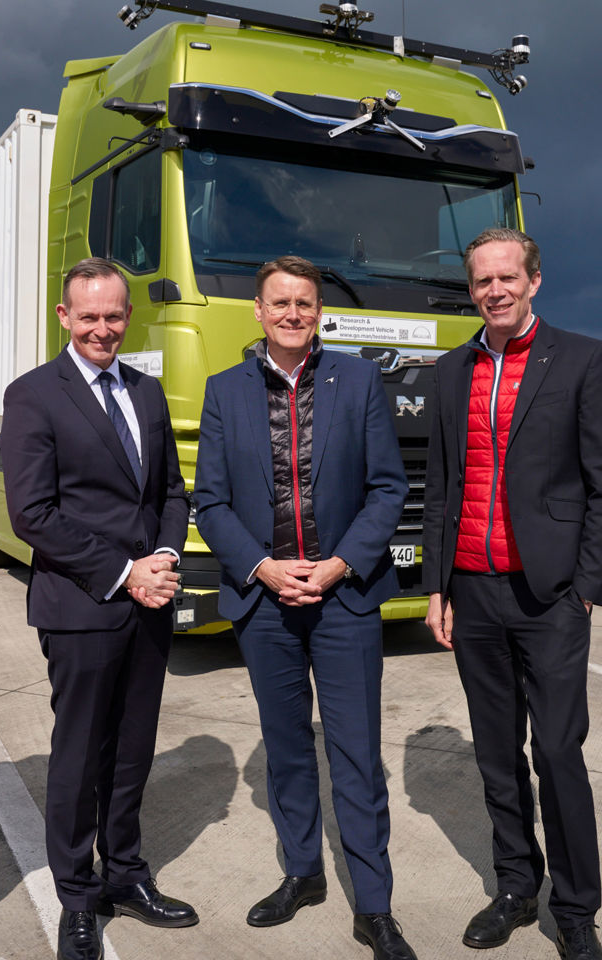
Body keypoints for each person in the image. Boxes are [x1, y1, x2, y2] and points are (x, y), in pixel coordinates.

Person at [194, 256, 414, 960]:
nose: (293, 313)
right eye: (281, 302)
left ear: (320, 312)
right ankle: (302, 873)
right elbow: (211, 501)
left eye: (306, 303)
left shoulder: (358, 380)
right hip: (266, 604)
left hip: (344, 599)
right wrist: (263, 567)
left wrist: (339, 564)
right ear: (257, 311)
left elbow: (387, 488)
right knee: (287, 750)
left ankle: (375, 907)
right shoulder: (224, 390)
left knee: (355, 754)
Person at [422, 229, 602, 960]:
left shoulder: (582, 360)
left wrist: (587, 589)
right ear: (471, 289)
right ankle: (515, 885)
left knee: (559, 753)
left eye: (508, 277)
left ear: (534, 280)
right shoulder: (450, 372)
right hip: (473, 594)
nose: (496, 291)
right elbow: (442, 488)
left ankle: (575, 908)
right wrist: (436, 587)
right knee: (496, 754)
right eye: (482, 281)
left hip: (551, 597)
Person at [0, 257, 196, 960]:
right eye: (89, 317)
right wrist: (124, 572)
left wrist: (166, 559)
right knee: (79, 757)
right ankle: (77, 898)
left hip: (149, 604)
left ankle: (126, 875)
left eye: (114, 316)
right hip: (83, 605)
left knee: (132, 752)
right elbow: (33, 514)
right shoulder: (33, 395)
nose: (103, 328)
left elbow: (170, 491)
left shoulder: (145, 391)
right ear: (64, 316)